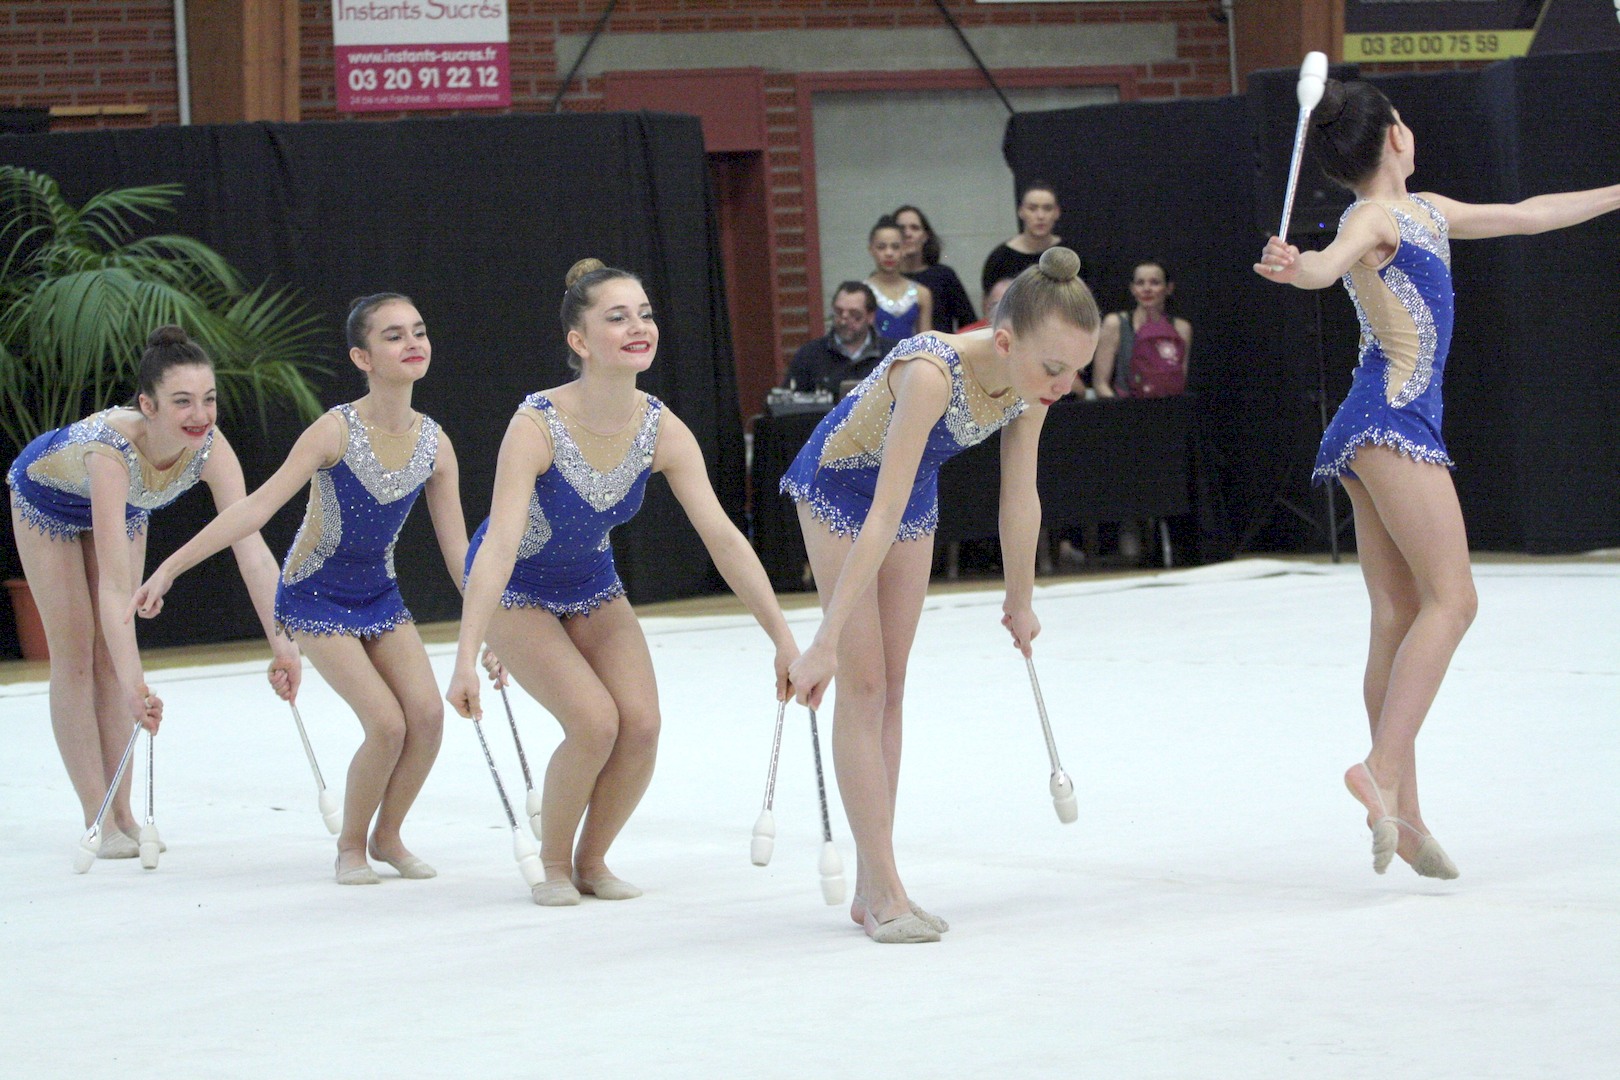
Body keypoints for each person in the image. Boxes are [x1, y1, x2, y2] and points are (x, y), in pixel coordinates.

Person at [1254, 79, 1620, 879]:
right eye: (1404, 122)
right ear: (1393, 137)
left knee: (1397, 614)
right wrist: (1296, 266)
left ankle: (1408, 818)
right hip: (1391, 418)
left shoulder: (1427, 211)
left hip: (1372, 421)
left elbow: (1529, 214)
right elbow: (1325, 267)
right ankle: (1381, 770)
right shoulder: (1373, 218)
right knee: (1454, 601)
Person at [446, 258, 800, 907]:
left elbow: (723, 537)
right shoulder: (537, 424)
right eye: (617, 318)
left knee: (640, 726)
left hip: (592, 583)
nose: (639, 327)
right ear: (579, 341)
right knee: (593, 723)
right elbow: (498, 545)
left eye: (645, 314)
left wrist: (783, 639)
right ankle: (554, 864)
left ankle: (592, 860)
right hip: (514, 589)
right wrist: (467, 654)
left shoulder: (661, 429)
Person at [782, 247, 1099, 943]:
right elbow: (879, 511)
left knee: (892, 687)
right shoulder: (931, 372)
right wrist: (825, 640)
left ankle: (873, 885)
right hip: (842, 487)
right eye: (1054, 368)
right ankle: (885, 888)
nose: (1064, 384)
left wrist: (1021, 599)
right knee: (862, 685)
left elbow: (1021, 494)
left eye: (1077, 369)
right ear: (1005, 340)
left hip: (910, 494)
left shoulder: (1033, 386)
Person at [130, 295, 469, 886]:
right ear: (362, 357)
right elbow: (254, 508)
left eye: (418, 331)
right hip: (313, 593)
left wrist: (496, 628)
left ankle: (388, 836)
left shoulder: (435, 445)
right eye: (393, 336)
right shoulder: (334, 431)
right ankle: (350, 846)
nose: (413, 343)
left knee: (428, 716)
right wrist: (170, 568)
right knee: (387, 725)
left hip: (380, 594)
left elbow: (459, 554)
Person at [8, 326, 299, 857]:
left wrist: (285, 646)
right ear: (148, 405)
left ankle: (123, 813)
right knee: (76, 655)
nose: (200, 414)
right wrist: (135, 685)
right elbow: (117, 587)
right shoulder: (110, 450)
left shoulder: (212, 448)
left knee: (108, 657)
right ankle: (98, 817)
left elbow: (252, 551)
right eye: (182, 401)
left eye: (208, 399)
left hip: (124, 506)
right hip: (46, 498)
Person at [1091, 259, 1193, 400]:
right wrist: (1121, 409)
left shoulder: (1181, 328)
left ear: (1169, 288)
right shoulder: (1115, 324)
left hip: (1168, 406)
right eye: (1140, 283)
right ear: (1133, 289)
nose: (1147, 289)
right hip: (1124, 405)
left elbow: (1180, 380)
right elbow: (1100, 384)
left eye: (1155, 283)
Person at [784, 282, 897, 399]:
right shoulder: (810, 355)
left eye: (854, 314)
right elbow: (790, 403)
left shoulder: (893, 355)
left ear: (870, 317)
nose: (843, 321)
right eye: (838, 312)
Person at [893, 204, 977, 332]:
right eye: (901, 228)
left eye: (915, 228)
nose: (908, 234)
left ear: (925, 236)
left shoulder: (944, 276)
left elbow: (969, 324)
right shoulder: (885, 279)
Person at [981, 180, 1067, 294]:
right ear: (1021, 211)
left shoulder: (1071, 254)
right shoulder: (1000, 259)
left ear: (1057, 212)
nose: (1040, 216)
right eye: (1032, 208)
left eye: (1047, 208)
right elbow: (990, 301)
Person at [866, 216, 932, 341]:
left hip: (912, 354)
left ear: (904, 249)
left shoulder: (921, 293)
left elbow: (926, 343)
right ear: (871, 250)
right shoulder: (863, 293)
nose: (889, 253)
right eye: (881, 247)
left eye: (895, 247)